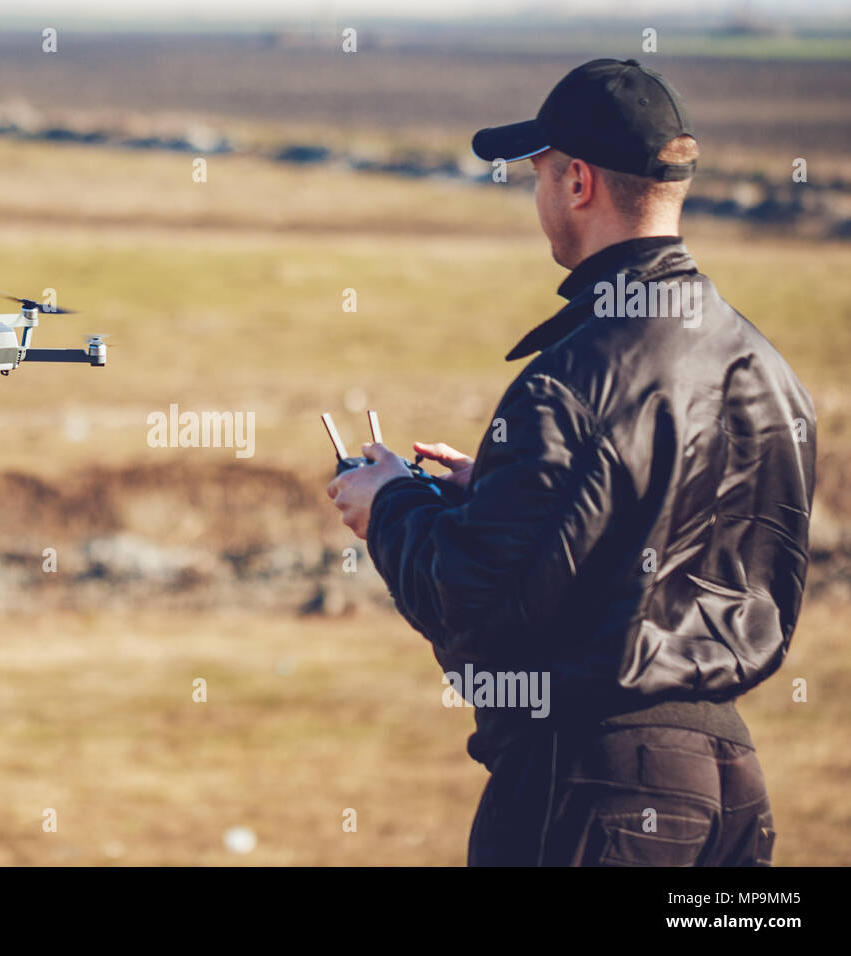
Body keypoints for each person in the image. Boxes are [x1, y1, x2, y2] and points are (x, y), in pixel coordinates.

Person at [327, 58, 816, 866]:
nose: (538, 194)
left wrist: (388, 506)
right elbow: (672, 532)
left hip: (595, 791)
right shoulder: (765, 366)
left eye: (540, 173)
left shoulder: (576, 374)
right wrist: (496, 493)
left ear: (578, 182)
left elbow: (472, 602)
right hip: (731, 792)